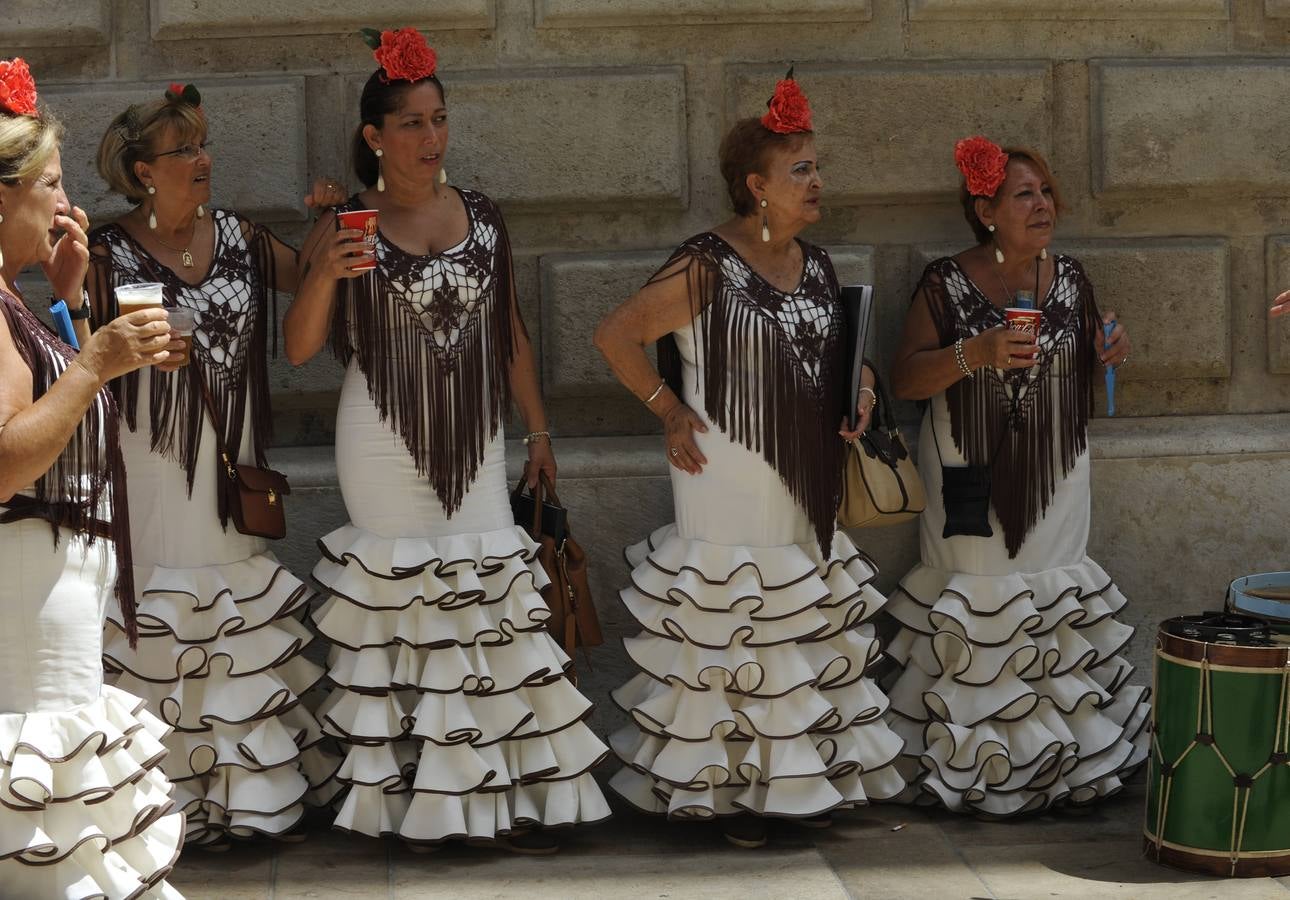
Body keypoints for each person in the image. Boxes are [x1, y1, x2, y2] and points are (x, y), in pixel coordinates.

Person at [284, 27, 610, 853]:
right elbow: (297, 349)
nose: (432, 139)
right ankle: (411, 806)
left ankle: (494, 799)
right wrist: (325, 263)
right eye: (413, 125)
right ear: (374, 138)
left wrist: (537, 430)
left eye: (439, 120)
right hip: (382, 440)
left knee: (487, 602)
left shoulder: (485, 217)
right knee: (406, 605)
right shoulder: (343, 223)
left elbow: (513, 336)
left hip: (478, 441)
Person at [594, 70, 905, 849]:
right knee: (735, 620)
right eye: (800, 170)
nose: (816, 182)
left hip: (806, 474)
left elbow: (849, 359)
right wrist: (667, 409)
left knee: (796, 618)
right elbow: (616, 336)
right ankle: (729, 794)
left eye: (815, 167)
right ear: (755, 186)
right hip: (724, 469)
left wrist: (862, 391)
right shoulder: (704, 263)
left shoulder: (819, 264)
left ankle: (795, 786)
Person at [87, 83, 346, 846]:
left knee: (232, 613)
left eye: (203, 146)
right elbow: (91, 358)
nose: (202, 160)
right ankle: (169, 807)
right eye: (184, 150)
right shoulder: (109, 253)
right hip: (151, 461)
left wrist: (327, 224)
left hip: (231, 461)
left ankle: (247, 801)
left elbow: (312, 280)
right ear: (143, 172)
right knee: (168, 614)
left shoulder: (239, 235)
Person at [882, 136, 1148, 817]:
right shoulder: (945, 282)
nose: (1042, 205)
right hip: (970, 476)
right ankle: (980, 774)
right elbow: (907, 378)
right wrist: (974, 352)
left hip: (1057, 478)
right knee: (982, 607)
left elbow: (1086, 355)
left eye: (1046, 192)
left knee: (1049, 612)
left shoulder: (1071, 278)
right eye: (1023, 194)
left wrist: (1107, 343)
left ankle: (1056, 770)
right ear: (985, 210)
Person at [0, 57, 187, 898]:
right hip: (28, 626)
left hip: (56, 616)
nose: (65, 203)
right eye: (49, 183)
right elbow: (5, 459)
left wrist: (67, 301)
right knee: (49, 834)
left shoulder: (13, 297)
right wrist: (97, 364)